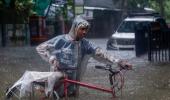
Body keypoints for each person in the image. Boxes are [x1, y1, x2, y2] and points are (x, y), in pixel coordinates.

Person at [36, 15, 131, 97]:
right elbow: (41, 48)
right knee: (56, 96)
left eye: (86, 30)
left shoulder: (86, 44)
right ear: (75, 28)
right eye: (82, 29)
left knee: (72, 96)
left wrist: (119, 61)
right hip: (59, 78)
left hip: (75, 80)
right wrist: (51, 58)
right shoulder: (60, 40)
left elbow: (101, 53)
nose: (85, 32)